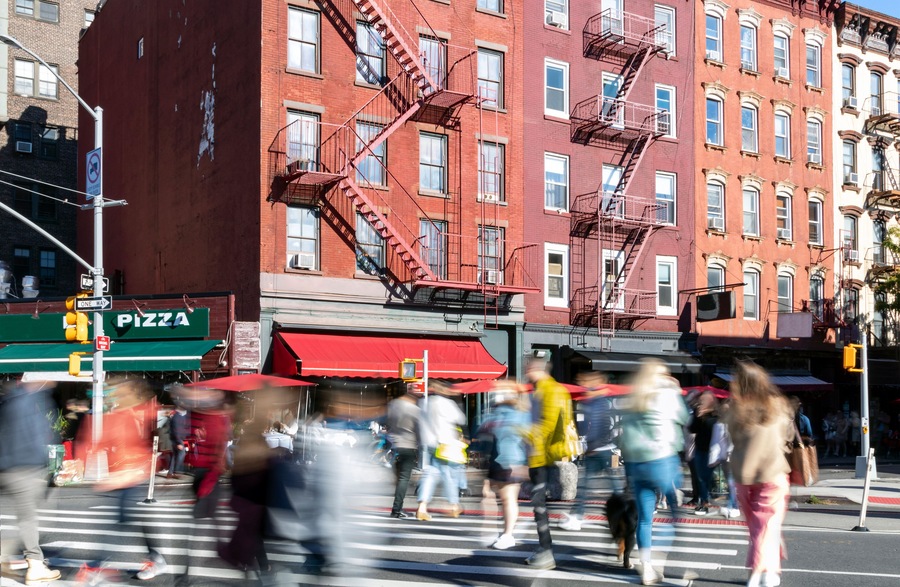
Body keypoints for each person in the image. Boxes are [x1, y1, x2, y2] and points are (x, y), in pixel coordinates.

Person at [618, 359, 689, 585]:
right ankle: (657, 556)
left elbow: (624, 433)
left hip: (637, 464)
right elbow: (684, 418)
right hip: (662, 459)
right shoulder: (666, 392)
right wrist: (676, 390)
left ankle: (646, 566)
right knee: (675, 514)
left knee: (645, 520)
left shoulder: (634, 396)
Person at [723, 362, 793, 587]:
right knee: (766, 526)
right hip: (773, 473)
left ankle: (766, 571)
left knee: (758, 526)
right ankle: (761, 571)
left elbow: (732, 438)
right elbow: (788, 437)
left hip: (743, 475)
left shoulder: (734, 408)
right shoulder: (779, 405)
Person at [94, 379, 163, 582]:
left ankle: (98, 565)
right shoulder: (119, 416)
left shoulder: (139, 414)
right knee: (128, 520)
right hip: (121, 475)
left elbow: (141, 446)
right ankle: (156, 558)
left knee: (122, 520)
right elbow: (106, 441)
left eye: (121, 394)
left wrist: (132, 471)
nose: (115, 397)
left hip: (131, 475)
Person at [0, 380, 62, 584]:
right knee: (32, 519)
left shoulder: (6, 402)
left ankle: (4, 558)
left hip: (6, 468)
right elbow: (40, 434)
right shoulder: (34, 401)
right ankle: (35, 565)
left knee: (21, 517)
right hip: (27, 467)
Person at [523, 355, 574, 570]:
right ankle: (544, 549)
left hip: (541, 457)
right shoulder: (547, 390)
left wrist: (521, 433)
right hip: (543, 456)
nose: (526, 372)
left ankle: (546, 552)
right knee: (539, 506)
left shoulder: (549, 390)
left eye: (528, 368)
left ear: (536, 368)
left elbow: (546, 426)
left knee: (540, 506)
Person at [559, 370, 619, 531]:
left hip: (600, 449)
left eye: (584, 380)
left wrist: (593, 445)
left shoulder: (598, 402)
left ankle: (578, 517)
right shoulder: (593, 401)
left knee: (588, 487)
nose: (581, 383)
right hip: (599, 448)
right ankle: (580, 515)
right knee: (606, 486)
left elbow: (603, 425)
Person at [476, 384, 530, 550]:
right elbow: (481, 433)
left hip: (511, 460)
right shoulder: (494, 414)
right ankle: (501, 531)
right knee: (491, 497)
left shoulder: (519, 415)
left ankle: (508, 534)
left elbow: (527, 438)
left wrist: (524, 464)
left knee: (507, 499)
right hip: (495, 459)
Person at [416, 383, 467, 521]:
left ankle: (422, 506)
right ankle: (454, 505)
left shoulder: (423, 403)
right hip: (445, 444)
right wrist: (458, 401)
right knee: (449, 475)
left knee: (430, 473)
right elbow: (461, 419)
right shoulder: (447, 403)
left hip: (429, 443)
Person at [386, 391, 421, 518]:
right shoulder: (414, 409)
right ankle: (396, 509)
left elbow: (388, 423)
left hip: (394, 445)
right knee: (404, 479)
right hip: (408, 445)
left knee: (399, 478)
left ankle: (397, 507)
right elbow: (418, 429)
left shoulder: (393, 405)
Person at [689, 392, 718, 515]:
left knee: (706, 477)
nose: (701, 403)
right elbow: (692, 429)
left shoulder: (715, 415)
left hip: (712, 450)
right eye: (700, 400)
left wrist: (704, 416)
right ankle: (703, 501)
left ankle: (705, 500)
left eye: (703, 400)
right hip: (700, 449)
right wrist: (697, 416)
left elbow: (713, 430)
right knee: (701, 478)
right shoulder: (698, 414)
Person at [169, 405, 190, 478]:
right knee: (181, 455)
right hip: (178, 440)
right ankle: (177, 472)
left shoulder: (175, 416)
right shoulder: (177, 417)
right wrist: (179, 442)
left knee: (175, 456)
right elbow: (177, 430)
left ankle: (170, 472)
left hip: (175, 439)